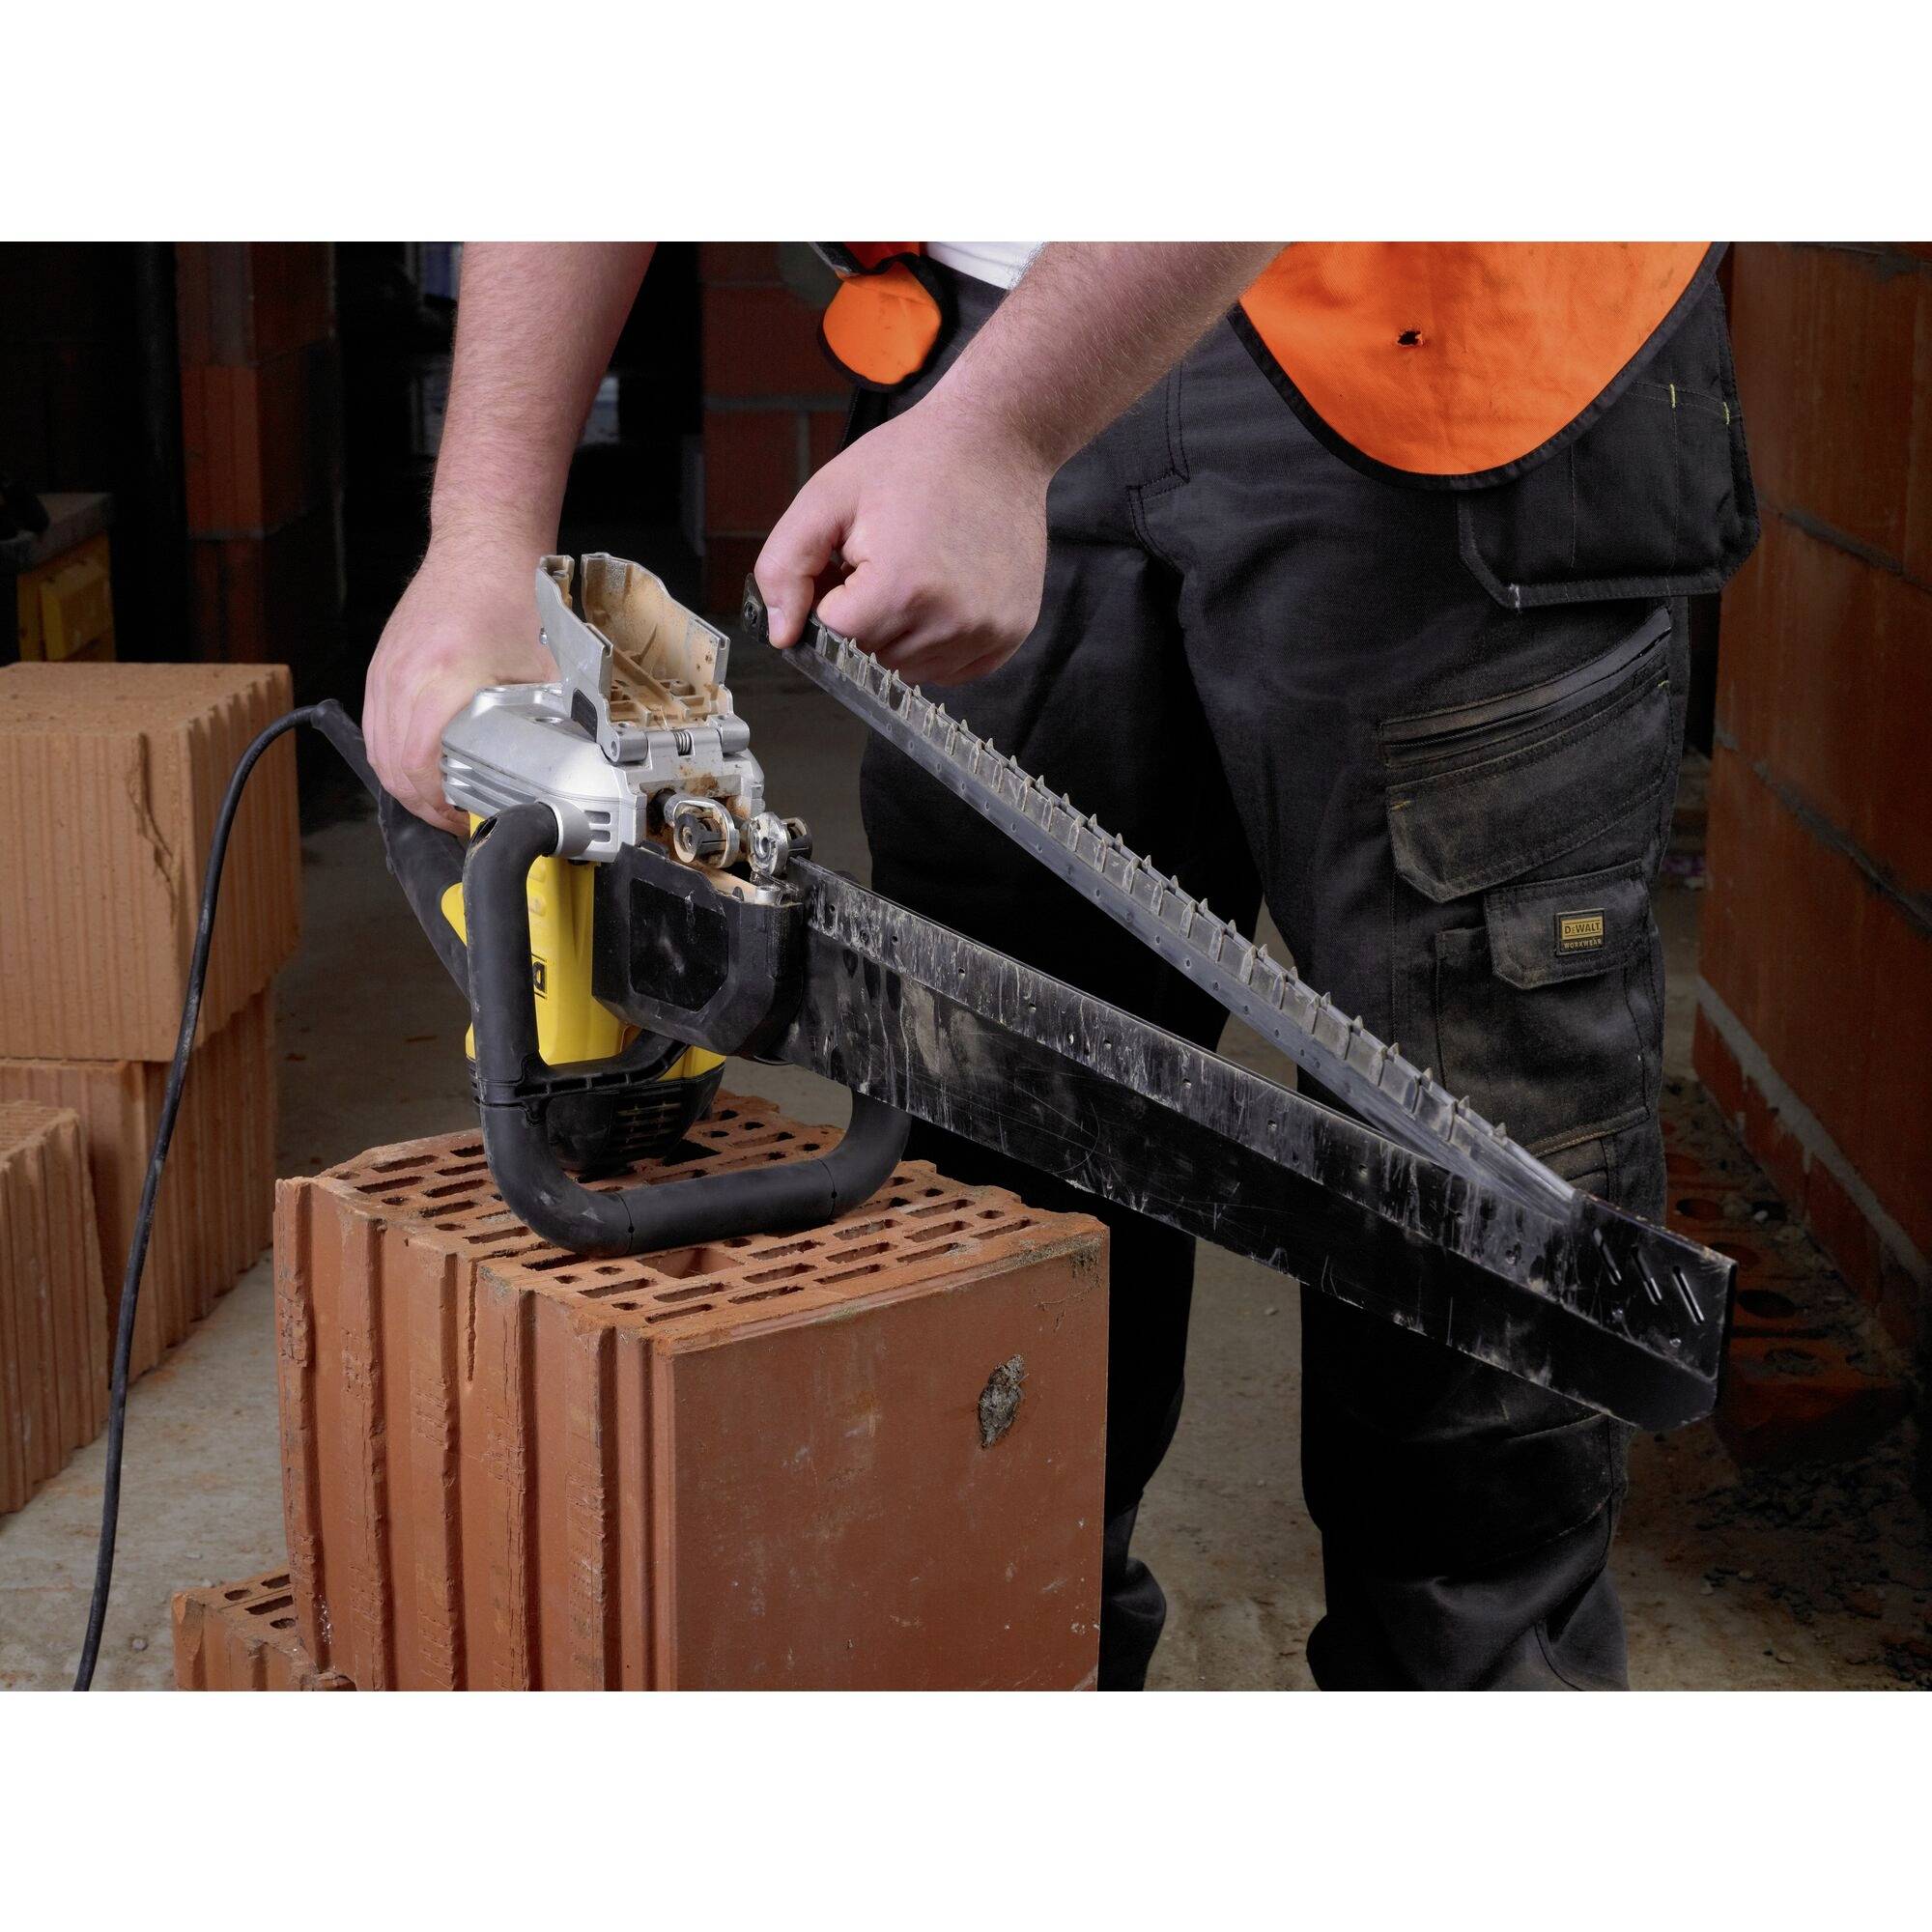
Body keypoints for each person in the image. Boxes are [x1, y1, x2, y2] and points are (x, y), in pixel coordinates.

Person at [365, 241, 1758, 1689]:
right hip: (982, 333)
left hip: (1453, 358)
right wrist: (481, 534)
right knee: (998, 1195)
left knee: (1479, 1243)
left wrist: (1000, 428)